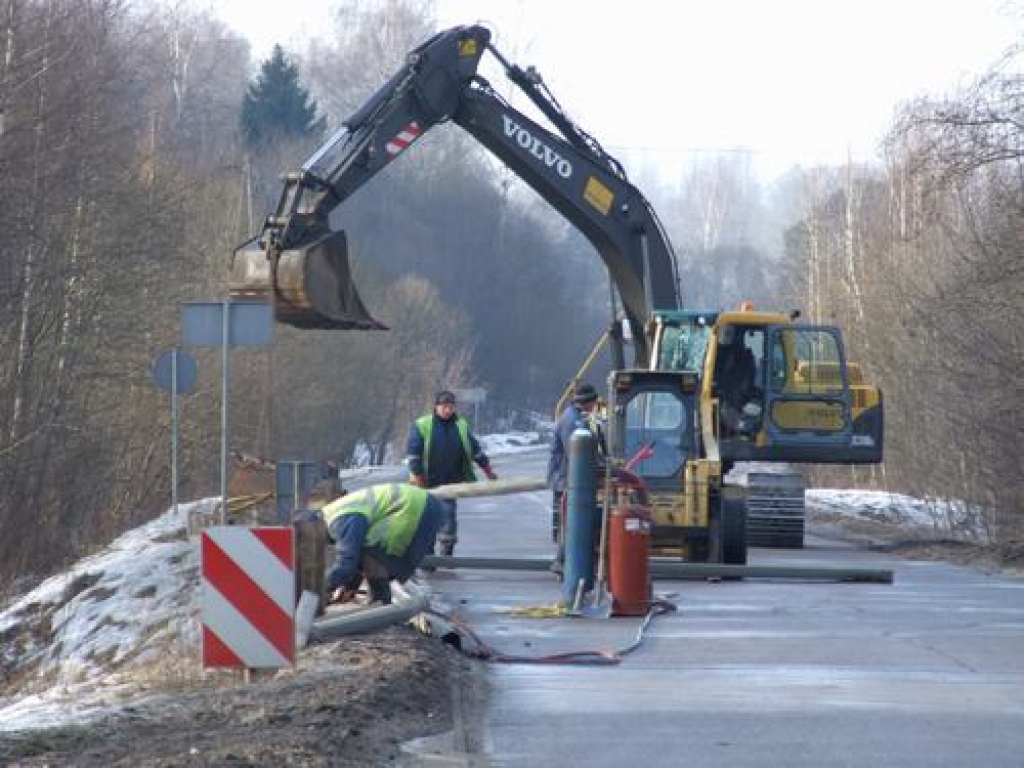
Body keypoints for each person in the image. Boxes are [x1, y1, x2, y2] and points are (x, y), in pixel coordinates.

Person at [406, 390, 496, 557]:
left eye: (451, 407)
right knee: (426, 520)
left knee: (448, 518)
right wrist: (418, 476)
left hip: (450, 483)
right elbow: (413, 454)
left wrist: (488, 470)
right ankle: (428, 558)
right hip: (425, 483)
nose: (448, 410)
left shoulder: (460, 426)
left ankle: (446, 555)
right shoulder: (422, 425)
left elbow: (475, 451)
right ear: (436, 407)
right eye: (444, 407)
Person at [322, 482, 445, 605]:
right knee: (371, 554)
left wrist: (319, 590)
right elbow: (354, 558)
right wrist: (350, 587)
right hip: (423, 505)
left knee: (373, 556)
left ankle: (382, 608)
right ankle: (381, 606)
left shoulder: (339, 521)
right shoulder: (332, 514)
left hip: (414, 509)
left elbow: (346, 564)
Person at [547, 382, 603, 569]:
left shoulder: (575, 417)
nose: (595, 406)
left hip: (569, 478)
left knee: (572, 522)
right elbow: (578, 454)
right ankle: (562, 562)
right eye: (594, 402)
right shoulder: (573, 421)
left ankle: (567, 562)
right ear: (587, 402)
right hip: (566, 479)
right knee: (571, 523)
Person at [714, 324, 758, 436]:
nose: (725, 338)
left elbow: (743, 385)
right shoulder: (719, 356)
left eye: (728, 334)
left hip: (736, 399)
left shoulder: (743, 359)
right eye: (725, 334)